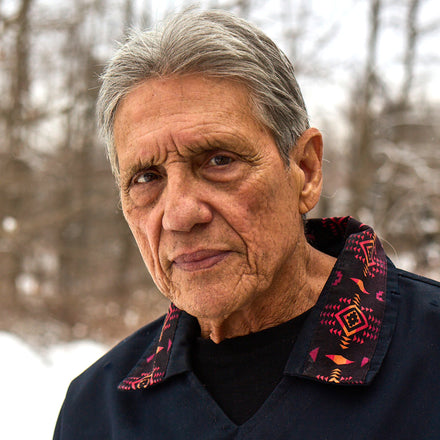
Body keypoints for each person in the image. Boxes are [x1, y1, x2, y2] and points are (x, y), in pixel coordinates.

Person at [54, 8, 440, 440]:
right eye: (146, 178)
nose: (180, 215)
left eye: (219, 161)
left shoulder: (426, 358)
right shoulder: (98, 410)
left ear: (306, 169)